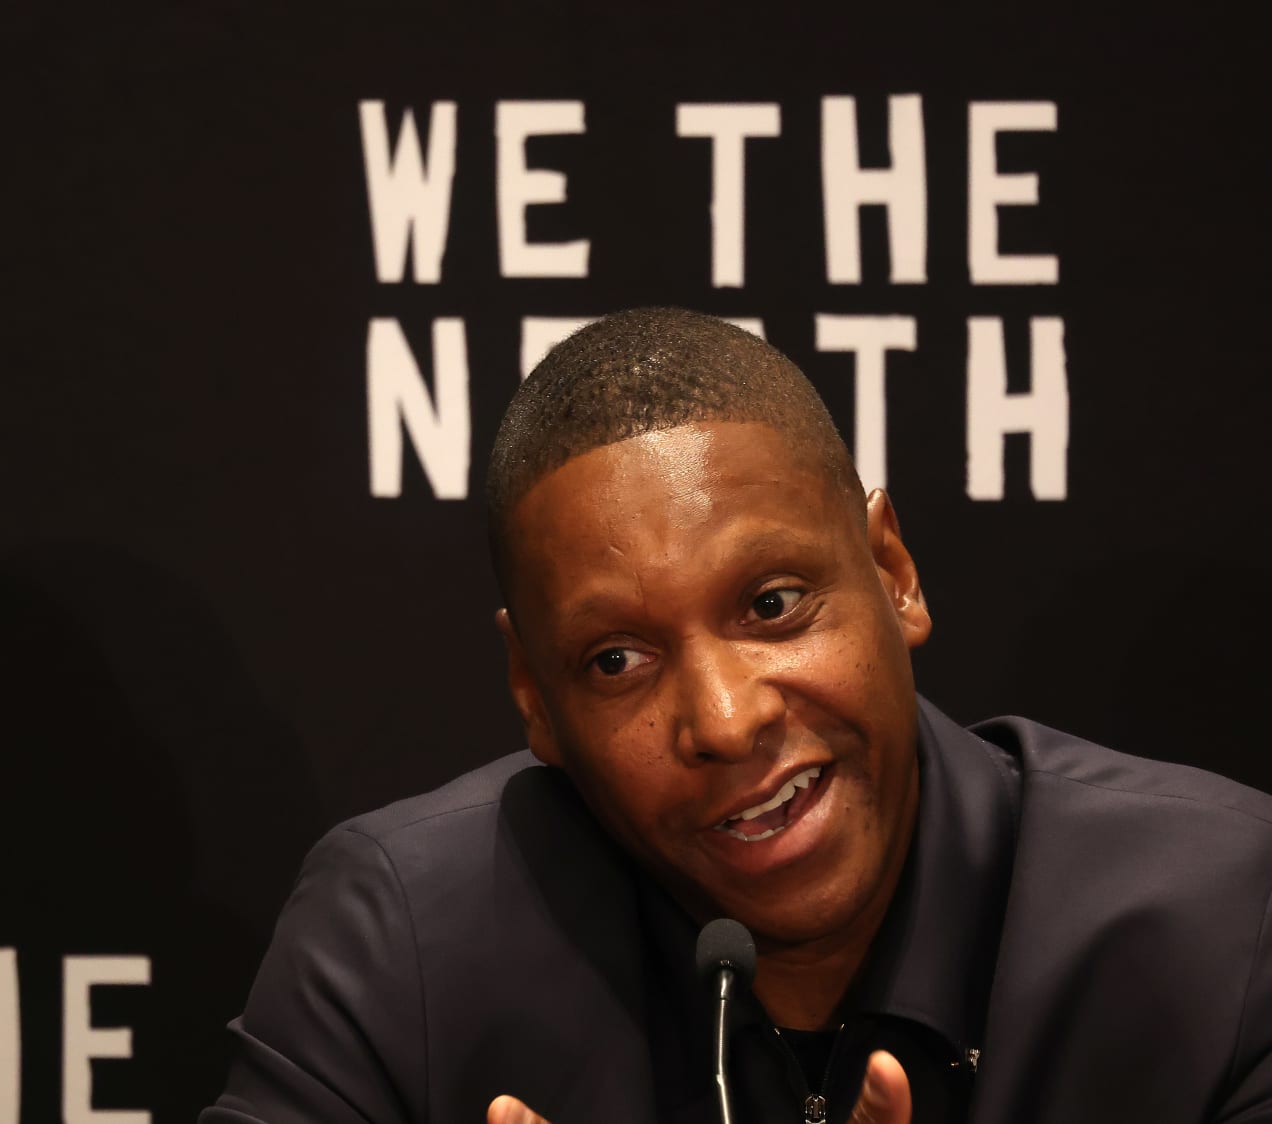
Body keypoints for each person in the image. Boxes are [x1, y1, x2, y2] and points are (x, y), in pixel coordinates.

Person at [202, 308, 1272, 1123]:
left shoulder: (1219, 925)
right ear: (535, 693)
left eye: (772, 604)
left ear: (892, 571)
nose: (721, 719)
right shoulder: (406, 949)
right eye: (616, 659)